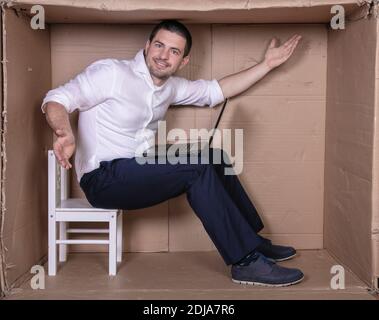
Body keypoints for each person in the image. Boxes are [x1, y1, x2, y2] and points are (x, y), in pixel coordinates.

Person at [41, 20, 303, 287]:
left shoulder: (170, 88)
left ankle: (252, 240)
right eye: (159, 45)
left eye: (174, 51)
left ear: (183, 60)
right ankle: (245, 262)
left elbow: (217, 90)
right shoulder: (111, 73)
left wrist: (266, 65)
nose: (163, 56)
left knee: (213, 157)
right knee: (196, 169)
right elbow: (57, 98)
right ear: (147, 46)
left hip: (136, 169)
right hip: (103, 180)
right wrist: (65, 133)